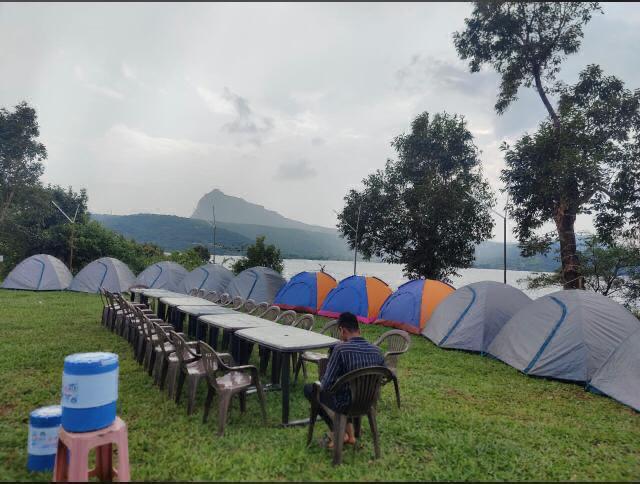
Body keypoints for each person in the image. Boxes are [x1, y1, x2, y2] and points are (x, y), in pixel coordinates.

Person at [303, 311, 385, 448]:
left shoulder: (340, 349)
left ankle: (338, 432)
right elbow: (384, 376)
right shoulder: (377, 351)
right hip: (368, 402)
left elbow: (327, 384)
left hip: (345, 403)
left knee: (311, 389)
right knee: (343, 392)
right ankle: (351, 436)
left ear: (342, 330)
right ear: (359, 330)